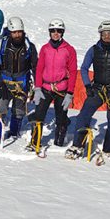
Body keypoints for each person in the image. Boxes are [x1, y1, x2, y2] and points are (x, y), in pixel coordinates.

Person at [65, 20, 110, 159]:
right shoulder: (94, 49)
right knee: (83, 115)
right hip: (98, 88)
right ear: (100, 34)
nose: (107, 36)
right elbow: (83, 68)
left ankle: (109, 149)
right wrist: (88, 85)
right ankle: (78, 145)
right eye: (104, 34)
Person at [28, 18, 77, 149]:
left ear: (63, 33)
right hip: (45, 87)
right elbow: (39, 69)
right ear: (49, 32)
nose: (56, 33)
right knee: (38, 115)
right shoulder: (45, 49)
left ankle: (59, 142)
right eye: (53, 31)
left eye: (59, 31)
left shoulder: (69, 50)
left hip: (61, 88)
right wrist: (37, 88)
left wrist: (70, 93)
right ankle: (35, 142)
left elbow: (73, 72)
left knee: (60, 118)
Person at [0, 16, 38, 145]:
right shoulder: (2, 46)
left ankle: (14, 130)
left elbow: (35, 67)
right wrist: (0, 84)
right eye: (14, 32)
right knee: (1, 106)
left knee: (19, 109)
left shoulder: (29, 47)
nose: (17, 35)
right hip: (4, 80)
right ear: (10, 32)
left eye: (19, 32)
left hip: (22, 81)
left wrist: (37, 86)